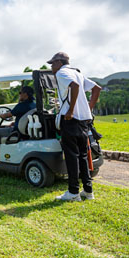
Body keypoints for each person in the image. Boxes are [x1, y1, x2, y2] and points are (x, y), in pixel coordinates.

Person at [48, 52, 101, 202]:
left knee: (71, 157)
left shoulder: (62, 73)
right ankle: (88, 191)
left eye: (52, 63)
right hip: (84, 121)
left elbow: (74, 86)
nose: (51, 67)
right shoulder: (77, 73)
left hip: (70, 121)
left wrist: (71, 111)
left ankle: (73, 192)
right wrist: (88, 108)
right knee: (83, 156)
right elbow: (97, 88)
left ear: (59, 62)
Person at [0, 86, 36, 161]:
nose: (19, 95)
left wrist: (1, 115)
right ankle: (0, 153)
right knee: (4, 129)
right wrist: (15, 123)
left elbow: (9, 114)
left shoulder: (21, 105)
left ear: (25, 94)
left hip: (17, 132)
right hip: (26, 130)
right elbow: (25, 118)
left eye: (20, 93)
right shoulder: (33, 105)